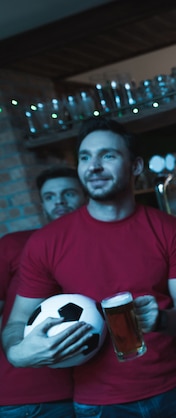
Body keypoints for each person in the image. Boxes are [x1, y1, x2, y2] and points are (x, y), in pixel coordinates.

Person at [1, 117, 176, 417]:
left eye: (107, 156)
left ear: (135, 166)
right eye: (85, 157)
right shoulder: (46, 242)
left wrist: (162, 319)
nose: (93, 166)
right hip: (100, 403)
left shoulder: (169, 229)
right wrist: (18, 353)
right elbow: (17, 321)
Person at [0, 166, 86, 417]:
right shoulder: (14, 245)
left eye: (68, 193)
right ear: (42, 205)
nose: (58, 201)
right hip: (26, 396)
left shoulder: (100, 247)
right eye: (49, 197)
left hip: (89, 392)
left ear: (86, 195)